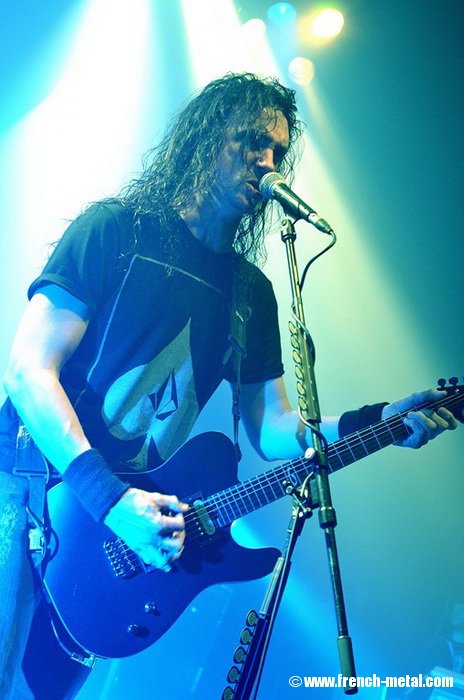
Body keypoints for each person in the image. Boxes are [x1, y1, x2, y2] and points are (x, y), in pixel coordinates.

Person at [0, 72, 460, 699]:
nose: (267, 161)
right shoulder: (114, 231)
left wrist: (380, 421)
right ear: (203, 141)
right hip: (28, 487)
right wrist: (111, 501)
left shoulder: (250, 294)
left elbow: (274, 429)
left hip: (114, 534)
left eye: (278, 150)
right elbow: (29, 370)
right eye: (251, 141)